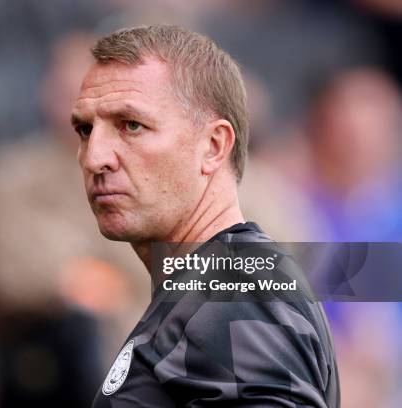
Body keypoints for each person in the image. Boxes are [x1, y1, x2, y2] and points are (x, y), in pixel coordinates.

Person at [71, 24, 340, 407]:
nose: (95, 157)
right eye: (84, 129)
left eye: (131, 125)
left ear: (214, 147)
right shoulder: (212, 285)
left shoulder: (234, 290)